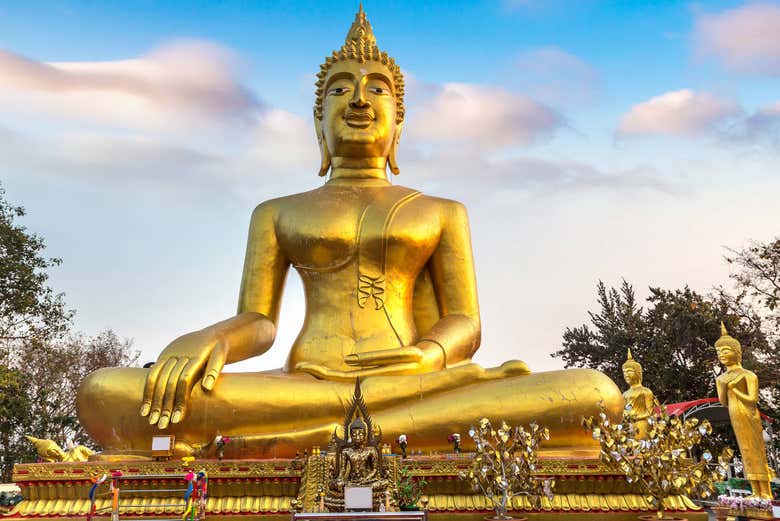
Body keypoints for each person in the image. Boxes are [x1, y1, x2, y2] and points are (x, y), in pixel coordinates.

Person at [77, 6, 622, 459]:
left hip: (415, 382)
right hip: (303, 385)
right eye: (340, 91)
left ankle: (327, 438)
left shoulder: (441, 211)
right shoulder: (278, 211)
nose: (359, 100)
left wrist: (430, 356)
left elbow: (466, 323)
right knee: (106, 393)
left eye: (376, 90)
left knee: (593, 392)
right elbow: (260, 323)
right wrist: (209, 339)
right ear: (319, 123)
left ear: (398, 121)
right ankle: (376, 432)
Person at [715, 323, 772, 499]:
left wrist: (736, 389)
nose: (722, 355)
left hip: (749, 415)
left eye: (725, 350)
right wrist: (725, 387)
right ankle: (755, 491)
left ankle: (766, 492)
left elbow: (752, 400)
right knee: (745, 450)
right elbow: (723, 402)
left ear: (737, 352)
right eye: (719, 352)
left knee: (756, 450)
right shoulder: (721, 378)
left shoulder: (748, 375)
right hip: (735, 415)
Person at [621, 349, 655, 439]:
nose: (626, 375)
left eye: (629, 371)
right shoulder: (624, 394)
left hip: (642, 424)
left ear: (638, 372)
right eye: (624, 372)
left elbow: (650, 411)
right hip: (628, 425)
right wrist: (625, 416)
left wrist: (636, 417)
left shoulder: (645, 391)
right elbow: (625, 409)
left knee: (641, 446)